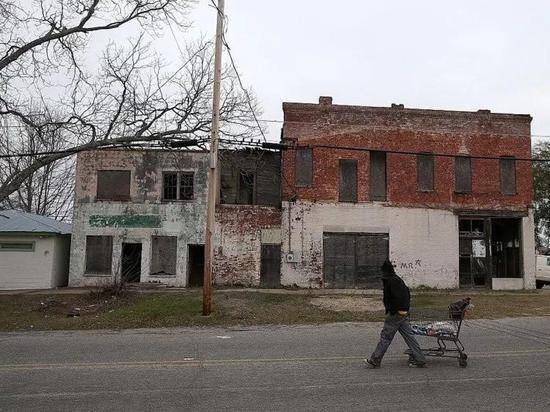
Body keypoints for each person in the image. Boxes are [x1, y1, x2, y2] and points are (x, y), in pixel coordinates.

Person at [364, 259, 426, 368]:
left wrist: (391, 310)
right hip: (403, 313)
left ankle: (375, 359)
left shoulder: (391, 281)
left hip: (395, 315)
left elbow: (395, 298)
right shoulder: (397, 280)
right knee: (409, 337)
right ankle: (420, 358)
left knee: (385, 337)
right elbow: (406, 293)